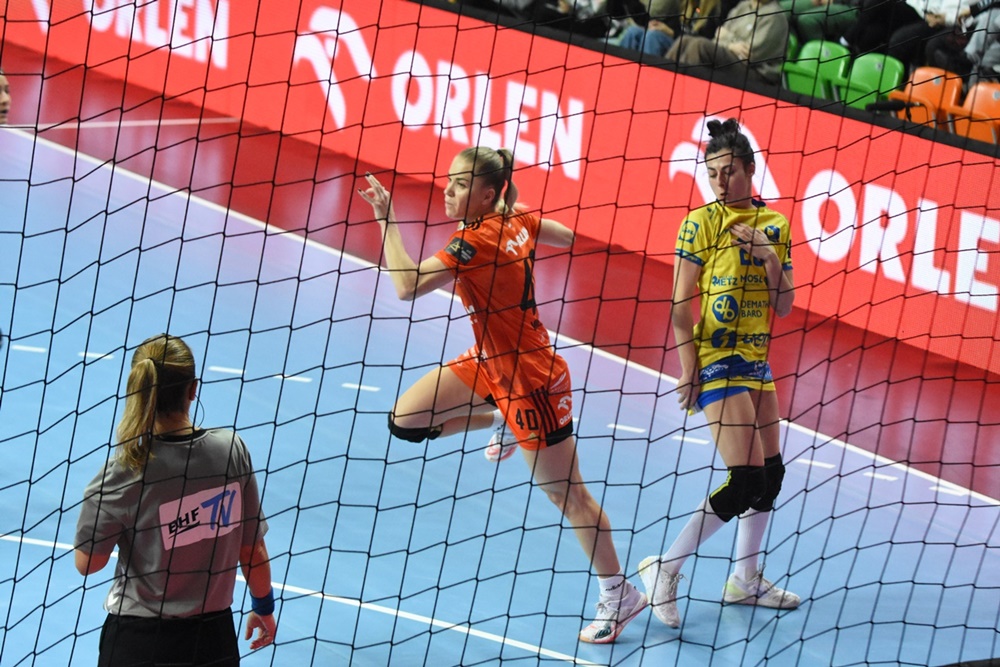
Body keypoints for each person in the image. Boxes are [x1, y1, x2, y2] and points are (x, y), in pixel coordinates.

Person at [357, 147, 648, 644]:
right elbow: (565, 235)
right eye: (449, 180)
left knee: (568, 495)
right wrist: (517, 219)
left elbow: (406, 286)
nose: (448, 190)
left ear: (487, 193)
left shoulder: (473, 242)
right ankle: (501, 422)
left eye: (460, 184)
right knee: (406, 421)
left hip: (531, 380)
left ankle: (619, 593)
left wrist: (386, 219)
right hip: (490, 360)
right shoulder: (512, 219)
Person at [637, 119, 800, 628]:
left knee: (771, 475)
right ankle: (665, 567)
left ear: (750, 169)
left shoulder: (775, 224)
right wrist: (689, 369)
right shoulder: (700, 223)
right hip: (715, 356)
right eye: (711, 174)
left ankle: (744, 580)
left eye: (728, 172)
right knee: (746, 478)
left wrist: (768, 257)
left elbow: (785, 306)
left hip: (757, 360)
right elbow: (679, 305)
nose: (719, 182)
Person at [74, 334, 276, 666]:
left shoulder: (123, 471)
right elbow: (252, 550)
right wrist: (263, 609)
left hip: (139, 644)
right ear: (193, 389)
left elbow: (88, 563)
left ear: (138, 390)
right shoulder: (231, 451)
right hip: (213, 642)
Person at [663, 0, 789, 88]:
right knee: (685, 40)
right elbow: (718, 35)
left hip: (756, 73)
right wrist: (731, 45)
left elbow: (749, 54)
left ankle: (684, 89)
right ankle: (663, 81)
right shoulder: (743, 6)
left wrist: (727, 39)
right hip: (732, 57)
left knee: (700, 46)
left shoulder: (775, 16)